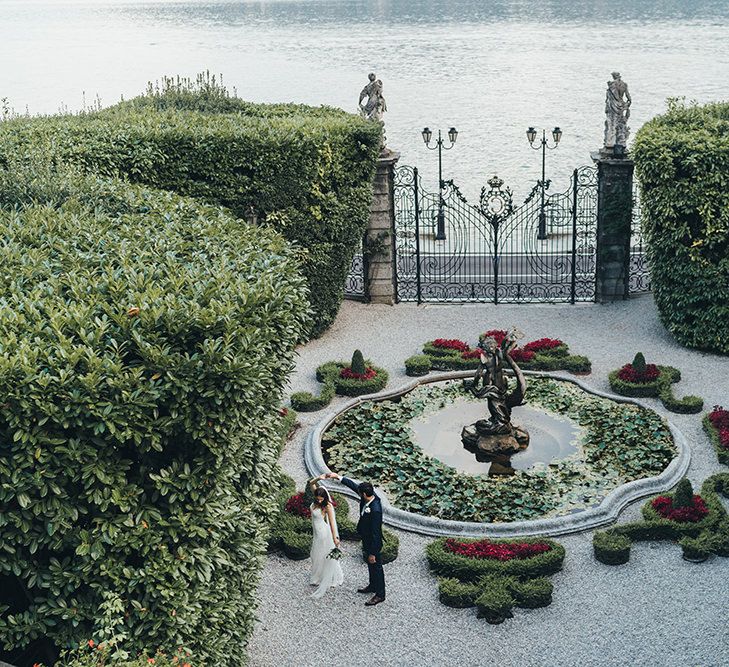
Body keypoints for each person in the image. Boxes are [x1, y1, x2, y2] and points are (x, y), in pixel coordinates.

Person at [326, 472, 385, 606]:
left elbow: (376, 532)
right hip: (366, 537)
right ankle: (373, 585)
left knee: (376, 566)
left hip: (373, 542)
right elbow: (354, 486)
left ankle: (380, 594)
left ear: (364, 494)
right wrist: (338, 477)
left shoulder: (375, 509)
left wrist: (372, 553)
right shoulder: (368, 496)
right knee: (371, 566)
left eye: (360, 493)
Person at [308, 474, 344, 599]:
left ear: (324, 497)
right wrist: (319, 478)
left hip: (323, 533)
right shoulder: (316, 497)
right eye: (317, 498)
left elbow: (332, 522)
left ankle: (326, 576)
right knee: (315, 555)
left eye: (321, 499)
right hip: (316, 532)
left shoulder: (327, 506)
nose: (319, 500)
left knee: (321, 554)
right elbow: (311, 483)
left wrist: (336, 538)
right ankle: (318, 575)